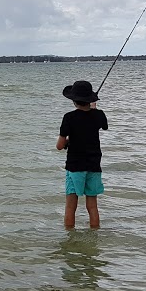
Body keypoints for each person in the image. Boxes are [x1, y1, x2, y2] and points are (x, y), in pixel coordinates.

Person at [56, 80, 108, 229]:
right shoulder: (99, 115)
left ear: (73, 100)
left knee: (71, 206)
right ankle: (94, 234)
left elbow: (59, 146)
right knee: (92, 206)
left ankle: (70, 236)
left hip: (74, 166)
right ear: (90, 99)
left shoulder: (69, 117)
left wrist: (67, 142)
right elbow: (103, 125)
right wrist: (94, 108)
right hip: (94, 165)